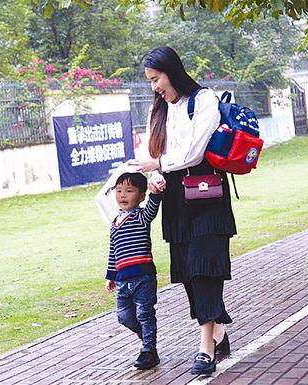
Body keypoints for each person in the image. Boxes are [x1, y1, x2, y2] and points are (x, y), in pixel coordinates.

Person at [130, 46, 237, 376]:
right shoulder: (159, 111)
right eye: (149, 81)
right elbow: (154, 152)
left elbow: (193, 151)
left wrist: (159, 163)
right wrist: (155, 175)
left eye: (156, 79)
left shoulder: (203, 101)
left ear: (172, 72)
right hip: (175, 200)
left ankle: (205, 349)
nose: (154, 87)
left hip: (206, 195)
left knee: (206, 269)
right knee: (188, 272)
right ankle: (218, 334)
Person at [105, 172, 162, 369]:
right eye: (119, 191)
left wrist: (156, 192)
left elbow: (152, 210)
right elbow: (114, 252)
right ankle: (144, 334)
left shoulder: (141, 217)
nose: (123, 195)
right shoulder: (114, 224)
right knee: (124, 316)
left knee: (145, 313)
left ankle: (149, 350)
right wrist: (110, 276)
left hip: (143, 277)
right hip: (122, 280)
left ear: (141, 196)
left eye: (129, 191)